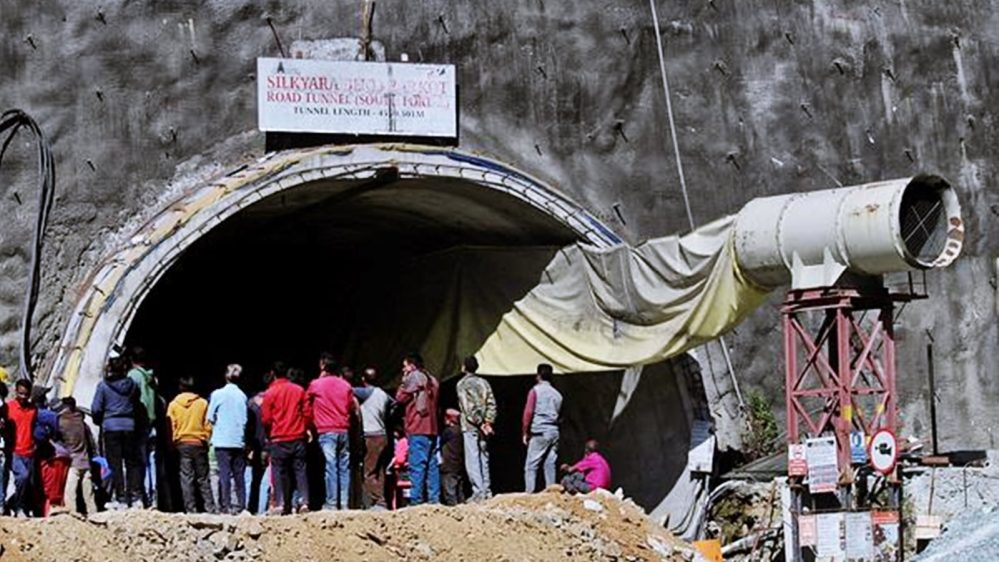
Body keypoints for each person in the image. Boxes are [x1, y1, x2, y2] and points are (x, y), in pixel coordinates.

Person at [91, 357, 145, 508]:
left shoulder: (103, 386)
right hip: (130, 426)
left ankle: (120, 497)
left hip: (111, 427)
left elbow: (96, 408)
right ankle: (136, 497)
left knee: (115, 464)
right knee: (132, 463)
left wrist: (100, 420)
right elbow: (137, 403)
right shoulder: (132, 385)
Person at [307, 353, 357, 511]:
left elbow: (306, 404)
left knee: (331, 467)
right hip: (343, 429)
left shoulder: (316, 384)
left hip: (326, 431)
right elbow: (351, 407)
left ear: (322, 366)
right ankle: (344, 503)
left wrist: (309, 425)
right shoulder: (346, 385)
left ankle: (331, 503)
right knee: (344, 467)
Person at [261, 365, 312, 514]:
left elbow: (266, 418)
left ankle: (280, 504)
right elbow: (307, 413)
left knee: (278, 471)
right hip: (298, 436)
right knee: (300, 470)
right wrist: (305, 427)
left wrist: (270, 431)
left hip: (278, 437)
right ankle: (303, 502)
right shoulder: (299, 390)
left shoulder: (270, 393)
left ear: (273, 374)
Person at [395, 352, 440, 505]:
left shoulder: (414, 377)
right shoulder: (433, 380)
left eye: (405, 366)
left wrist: (403, 382)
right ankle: (434, 499)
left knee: (417, 466)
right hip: (432, 429)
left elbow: (400, 398)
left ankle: (416, 501)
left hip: (418, 427)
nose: (403, 370)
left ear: (412, 366)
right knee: (432, 466)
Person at [167, 376, 216, 513]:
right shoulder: (202, 403)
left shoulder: (174, 405)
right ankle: (210, 508)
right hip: (199, 443)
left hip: (182, 444)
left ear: (180, 387)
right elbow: (208, 425)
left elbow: (171, 425)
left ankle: (190, 509)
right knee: (203, 478)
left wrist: (172, 443)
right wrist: (206, 438)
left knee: (186, 477)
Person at [207, 364, 248, 514]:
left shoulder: (217, 394)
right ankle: (241, 505)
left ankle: (225, 506)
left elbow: (210, 417)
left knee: (224, 474)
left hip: (222, 440)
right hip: (238, 440)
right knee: (239, 475)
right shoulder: (242, 396)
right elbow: (244, 419)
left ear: (226, 376)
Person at [455, 356, 496, 501]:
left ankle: (478, 492)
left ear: (464, 367)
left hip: (471, 426)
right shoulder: (484, 383)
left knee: (473, 458)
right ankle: (486, 490)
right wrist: (488, 422)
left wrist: (480, 423)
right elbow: (491, 403)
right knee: (484, 457)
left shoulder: (462, 384)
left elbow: (468, 407)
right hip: (484, 427)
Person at [353, 366, 393, 509]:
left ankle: (379, 501)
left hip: (371, 435)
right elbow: (394, 404)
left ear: (363, 379)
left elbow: (348, 390)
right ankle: (381, 500)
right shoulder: (383, 394)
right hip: (383, 435)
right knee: (379, 470)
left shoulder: (365, 393)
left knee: (368, 472)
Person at [522, 363, 563, 493]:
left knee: (531, 465)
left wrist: (525, 431)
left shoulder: (535, 391)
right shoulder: (557, 395)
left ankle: (530, 492)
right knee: (550, 464)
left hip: (540, 431)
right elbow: (560, 415)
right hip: (554, 432)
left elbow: (528, 412)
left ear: (538, 375)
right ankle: (551, 493)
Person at [126, 346, 158, 507]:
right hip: (151, 423)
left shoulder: (133, 376)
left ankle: (142, 496)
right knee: (151, 460)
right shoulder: (151, 377)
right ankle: (153, 497)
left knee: (138, 461)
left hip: (138, 423)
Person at [58, 396, 97, 515]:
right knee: (89, 495)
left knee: (70, 494)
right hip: (85, 462)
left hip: (72, 464)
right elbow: (91, 444)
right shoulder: (82, 422)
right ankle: (94, 514)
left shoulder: (62, 422)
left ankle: (72, 516)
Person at [34, 389, 70, 515]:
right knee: (54, 491)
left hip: (35, 456)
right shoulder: (49, 416)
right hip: (53, 458)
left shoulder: (30, 413)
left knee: (43, 490)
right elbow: (56, 433)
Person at [245, 367, 276, 514]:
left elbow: (247, 426)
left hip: (254, 445)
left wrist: (248, 445)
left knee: (250, 478)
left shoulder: (251, 403)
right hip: (270, 443)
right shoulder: (273, 401)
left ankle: (247, 507)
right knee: (265, 481)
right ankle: (261, 510)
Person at [6, 379, 36, 516]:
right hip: (14, 451)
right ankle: (18, 507)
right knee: (22, 477)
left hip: (29, 451)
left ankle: (19, 505)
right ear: (16, 392)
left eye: (26, 394)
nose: (23, 397)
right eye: (20, 393)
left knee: (28, 482)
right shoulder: (9, 408)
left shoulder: (33, 409)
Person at [439, 409, 464, 506]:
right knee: (459, 489)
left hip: (448, 465)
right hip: (458, 464)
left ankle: (453, 508)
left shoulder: (449, 432)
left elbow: (440, 442)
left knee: (450, 490)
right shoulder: (462, 431)